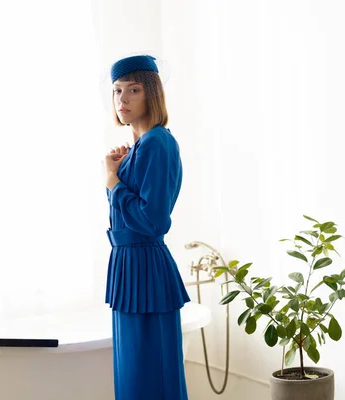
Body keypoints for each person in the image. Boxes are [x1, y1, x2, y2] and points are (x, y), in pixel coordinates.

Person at [103, 54, 191, 399]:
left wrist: (113, 181)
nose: (122, 100)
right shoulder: (142, 145)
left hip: (144, 266)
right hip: (130, 264)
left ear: (151, 93)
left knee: (147, 373)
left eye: (133, 90)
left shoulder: (157, 142)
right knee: (135, 373)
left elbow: (154, 219)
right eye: (117, 91)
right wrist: (119, 169)